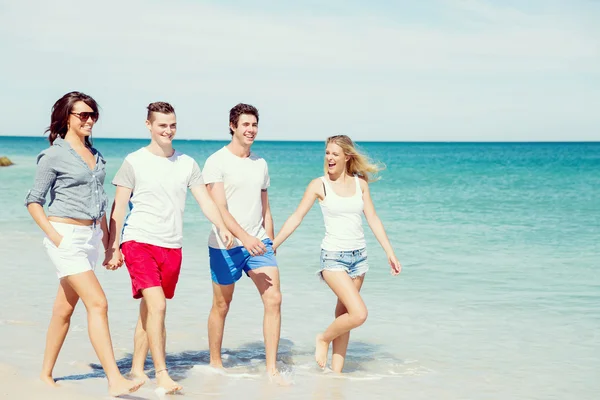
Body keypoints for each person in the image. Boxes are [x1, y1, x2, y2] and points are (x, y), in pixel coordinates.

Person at [104, 102, 233, 394]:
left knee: (151, 308)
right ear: (148, 125)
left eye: (172, 125)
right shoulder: (133, 161)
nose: (168, 130)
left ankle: (137, 368)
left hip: (172, 246)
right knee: (158, 305)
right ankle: (162, 373)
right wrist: (114, 246)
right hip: (138, 241)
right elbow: (119, 207)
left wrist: (222, 227)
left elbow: (205, 202)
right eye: (162, 125)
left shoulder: (187, 163)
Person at [25, 91, 144, 396]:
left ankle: (45, 374)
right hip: (65, 236)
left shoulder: (96, 154)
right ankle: (115, 379)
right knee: (98, 303)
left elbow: (100, 202)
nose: (90, 120)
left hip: (91, 238)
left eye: (93, 115)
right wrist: (54, 236)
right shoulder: (53, 155)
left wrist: (108, 244)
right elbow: (34, 201)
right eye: (84, 115)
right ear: (67, 117)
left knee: (63, 310)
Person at [272, 134, 401, 372]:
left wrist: (389, 252)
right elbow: (297, 216)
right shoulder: (319, 184)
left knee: (345, 316)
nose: (329, 158)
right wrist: (275, 243)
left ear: (346, 157)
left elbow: (372, 218)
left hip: (359, 258)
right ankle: (323, 338)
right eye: (327, 153)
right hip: (333, 258)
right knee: (359, 313)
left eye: (335, 154)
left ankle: (336, 376)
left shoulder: (360, 184)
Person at [203, 103, 283, 380]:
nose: (251, 130)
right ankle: (215, 363)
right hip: (225, 245)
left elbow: (265, 207)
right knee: (222, 305)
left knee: (274, 299)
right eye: (245, 125)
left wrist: (268, 239)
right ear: (233, 126)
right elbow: (220, 209)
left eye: (254, 125)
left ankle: (272, 369)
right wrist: (244, 238)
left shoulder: (260, 163)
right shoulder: (216, 161)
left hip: (258, 242)